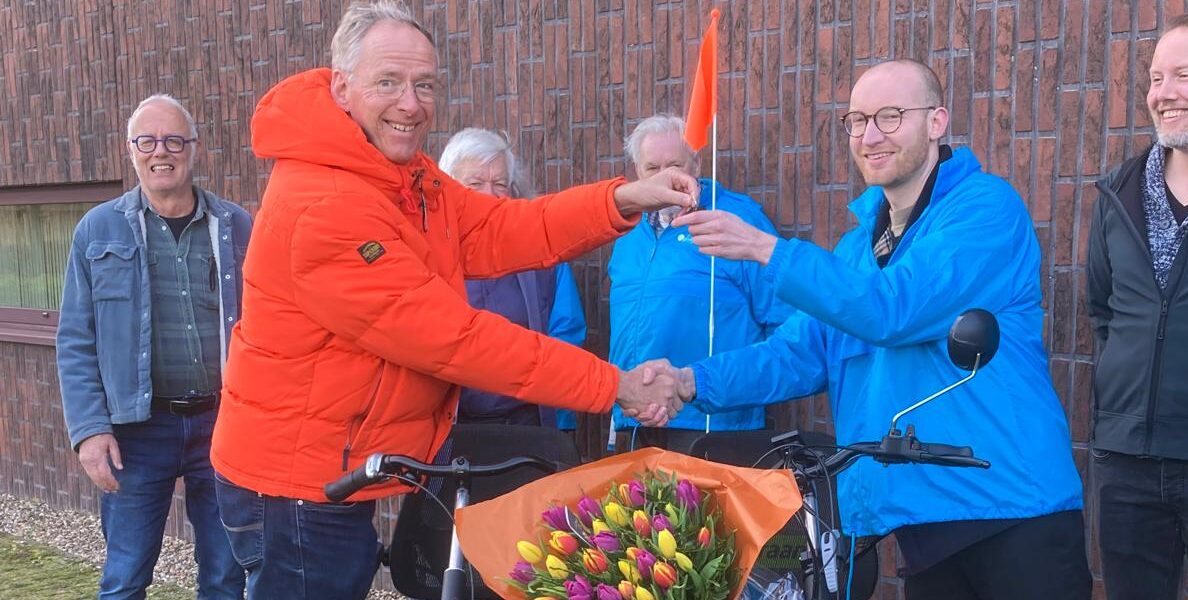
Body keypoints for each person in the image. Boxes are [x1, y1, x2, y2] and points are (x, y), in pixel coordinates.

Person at [208, 2, 693, 597]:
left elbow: (504, 227)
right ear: (341, 87)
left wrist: (621, 200)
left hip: (331, 467)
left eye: (424, 85)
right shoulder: (326, 205)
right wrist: (612, 385)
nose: (411, 104)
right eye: (388, 82)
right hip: (295, 484)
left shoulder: (401, 175)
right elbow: (453, 339)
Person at [663, 59, 1090, 599]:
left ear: (937, 122)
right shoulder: (857, 249)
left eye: (890, 117)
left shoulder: (984, 209)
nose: (870, 135)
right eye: (857, 120)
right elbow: (798, 353)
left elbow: (896, 309)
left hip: (1010, 512)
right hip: (922, 523)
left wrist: (764, 249)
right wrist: (688, 382)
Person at [56, 94, 248, 599]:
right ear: (131, 150)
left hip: (224, 425)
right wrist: (89, 430)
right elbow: (75, 339)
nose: (160, 151)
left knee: (228, 575)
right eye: (147, 141)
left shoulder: (237, 228)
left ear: (194, 148)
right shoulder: (98, 230)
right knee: (125, 577)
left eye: (173, 140)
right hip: (136, 431)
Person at [1086, 13, 1188, 599]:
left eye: (1183, 75)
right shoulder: (1117, 194)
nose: (1164, 94)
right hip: (1124, 460)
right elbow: (1104, 312)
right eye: (1156, 79)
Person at [608, 114, 794, 452]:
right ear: (637, 171)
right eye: (652, 168)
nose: (666, 176)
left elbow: (783, 319)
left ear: (696, 164)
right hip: (637, 422)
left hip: (713, 425)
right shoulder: (627, 235)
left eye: (675, 164)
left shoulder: (735, 219)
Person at [438, 127, 587, 429]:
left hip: (529, 422)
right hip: (450, 429)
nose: (488, 194)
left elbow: (566, 332)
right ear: (449, 187)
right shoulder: (429, 254)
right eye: (475, 183)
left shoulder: (541, 252)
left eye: (499, 184)